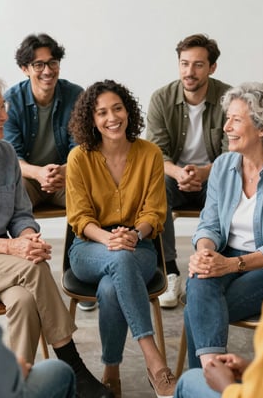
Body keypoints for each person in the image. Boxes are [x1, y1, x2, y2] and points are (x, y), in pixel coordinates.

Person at [0, 73, 113, 398]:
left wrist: (29, 238)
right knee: (32, 269)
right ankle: (72, 364)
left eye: (4, 107)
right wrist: (14, 248)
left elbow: (20, 215)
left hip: (2, 259)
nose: (5, 115)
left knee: (25, 300)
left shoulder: (5, 155)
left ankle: (13, 388)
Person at [174, 119, 263, 398]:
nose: (226, 126)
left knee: (197, 309)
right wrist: (205, 252)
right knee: (199, 279)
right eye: (226, 118)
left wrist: (228, 265)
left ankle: (206, 380)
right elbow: (209, 224)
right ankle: (211, 373)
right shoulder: (223, 164)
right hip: (226, 255)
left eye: (236, 120)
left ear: (262, 128)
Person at [66, 79, 176, 398]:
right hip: (89, 248)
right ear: (92, 120)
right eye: (102, 112)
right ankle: (154, 361)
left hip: (138, 246)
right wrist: (108, 239)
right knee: (118, 258)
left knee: (112, 286)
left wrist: (133, 233)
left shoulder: (150, 154)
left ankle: (111, 370)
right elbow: (79, 217)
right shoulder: (78, 159)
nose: (112, 117)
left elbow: (154, 212)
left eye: (117, 108)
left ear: (128, 111)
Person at [3, 32, 95, 312]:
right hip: (28, 180)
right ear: (25, 68)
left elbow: (83, 147)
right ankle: (16, 276)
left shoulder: (75, 95)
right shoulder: (12, 100)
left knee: (89, 200)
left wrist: (63, 170)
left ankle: (80, 277)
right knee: (6, 203)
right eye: (38, 64)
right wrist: (38, 173)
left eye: (52, 62)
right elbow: (10, 156)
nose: (47, 70)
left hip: (64, 176)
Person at [146, 34, 231, 308]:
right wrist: (178, 173)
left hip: (214, 178)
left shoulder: (229, 99)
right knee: (153, 185)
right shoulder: (161, 98)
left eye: (197, 65)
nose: (189, 72)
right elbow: (155, 152)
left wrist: (205, 174)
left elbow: (233, 154)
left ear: (212, 68)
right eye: (184, 64)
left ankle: (215, 266)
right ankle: (169, 271)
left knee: (233, 184)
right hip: (175, 178)